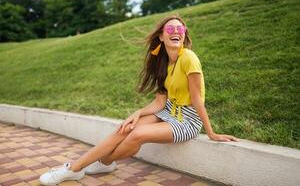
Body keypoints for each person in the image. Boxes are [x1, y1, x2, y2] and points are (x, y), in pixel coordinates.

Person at [39, 15, 238, 185]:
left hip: (187, 120)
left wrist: (211, 133)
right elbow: (160, 102)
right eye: (170, 28)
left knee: (137, 134)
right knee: (124, 128)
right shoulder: (164, 63)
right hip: (168, 110)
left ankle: (95, 164)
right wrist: (137, 113)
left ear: (184, 34)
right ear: (161, 36)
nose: (176, 31)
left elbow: (196, 98)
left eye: (180, 28)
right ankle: (78, 168)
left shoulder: (189, 58)